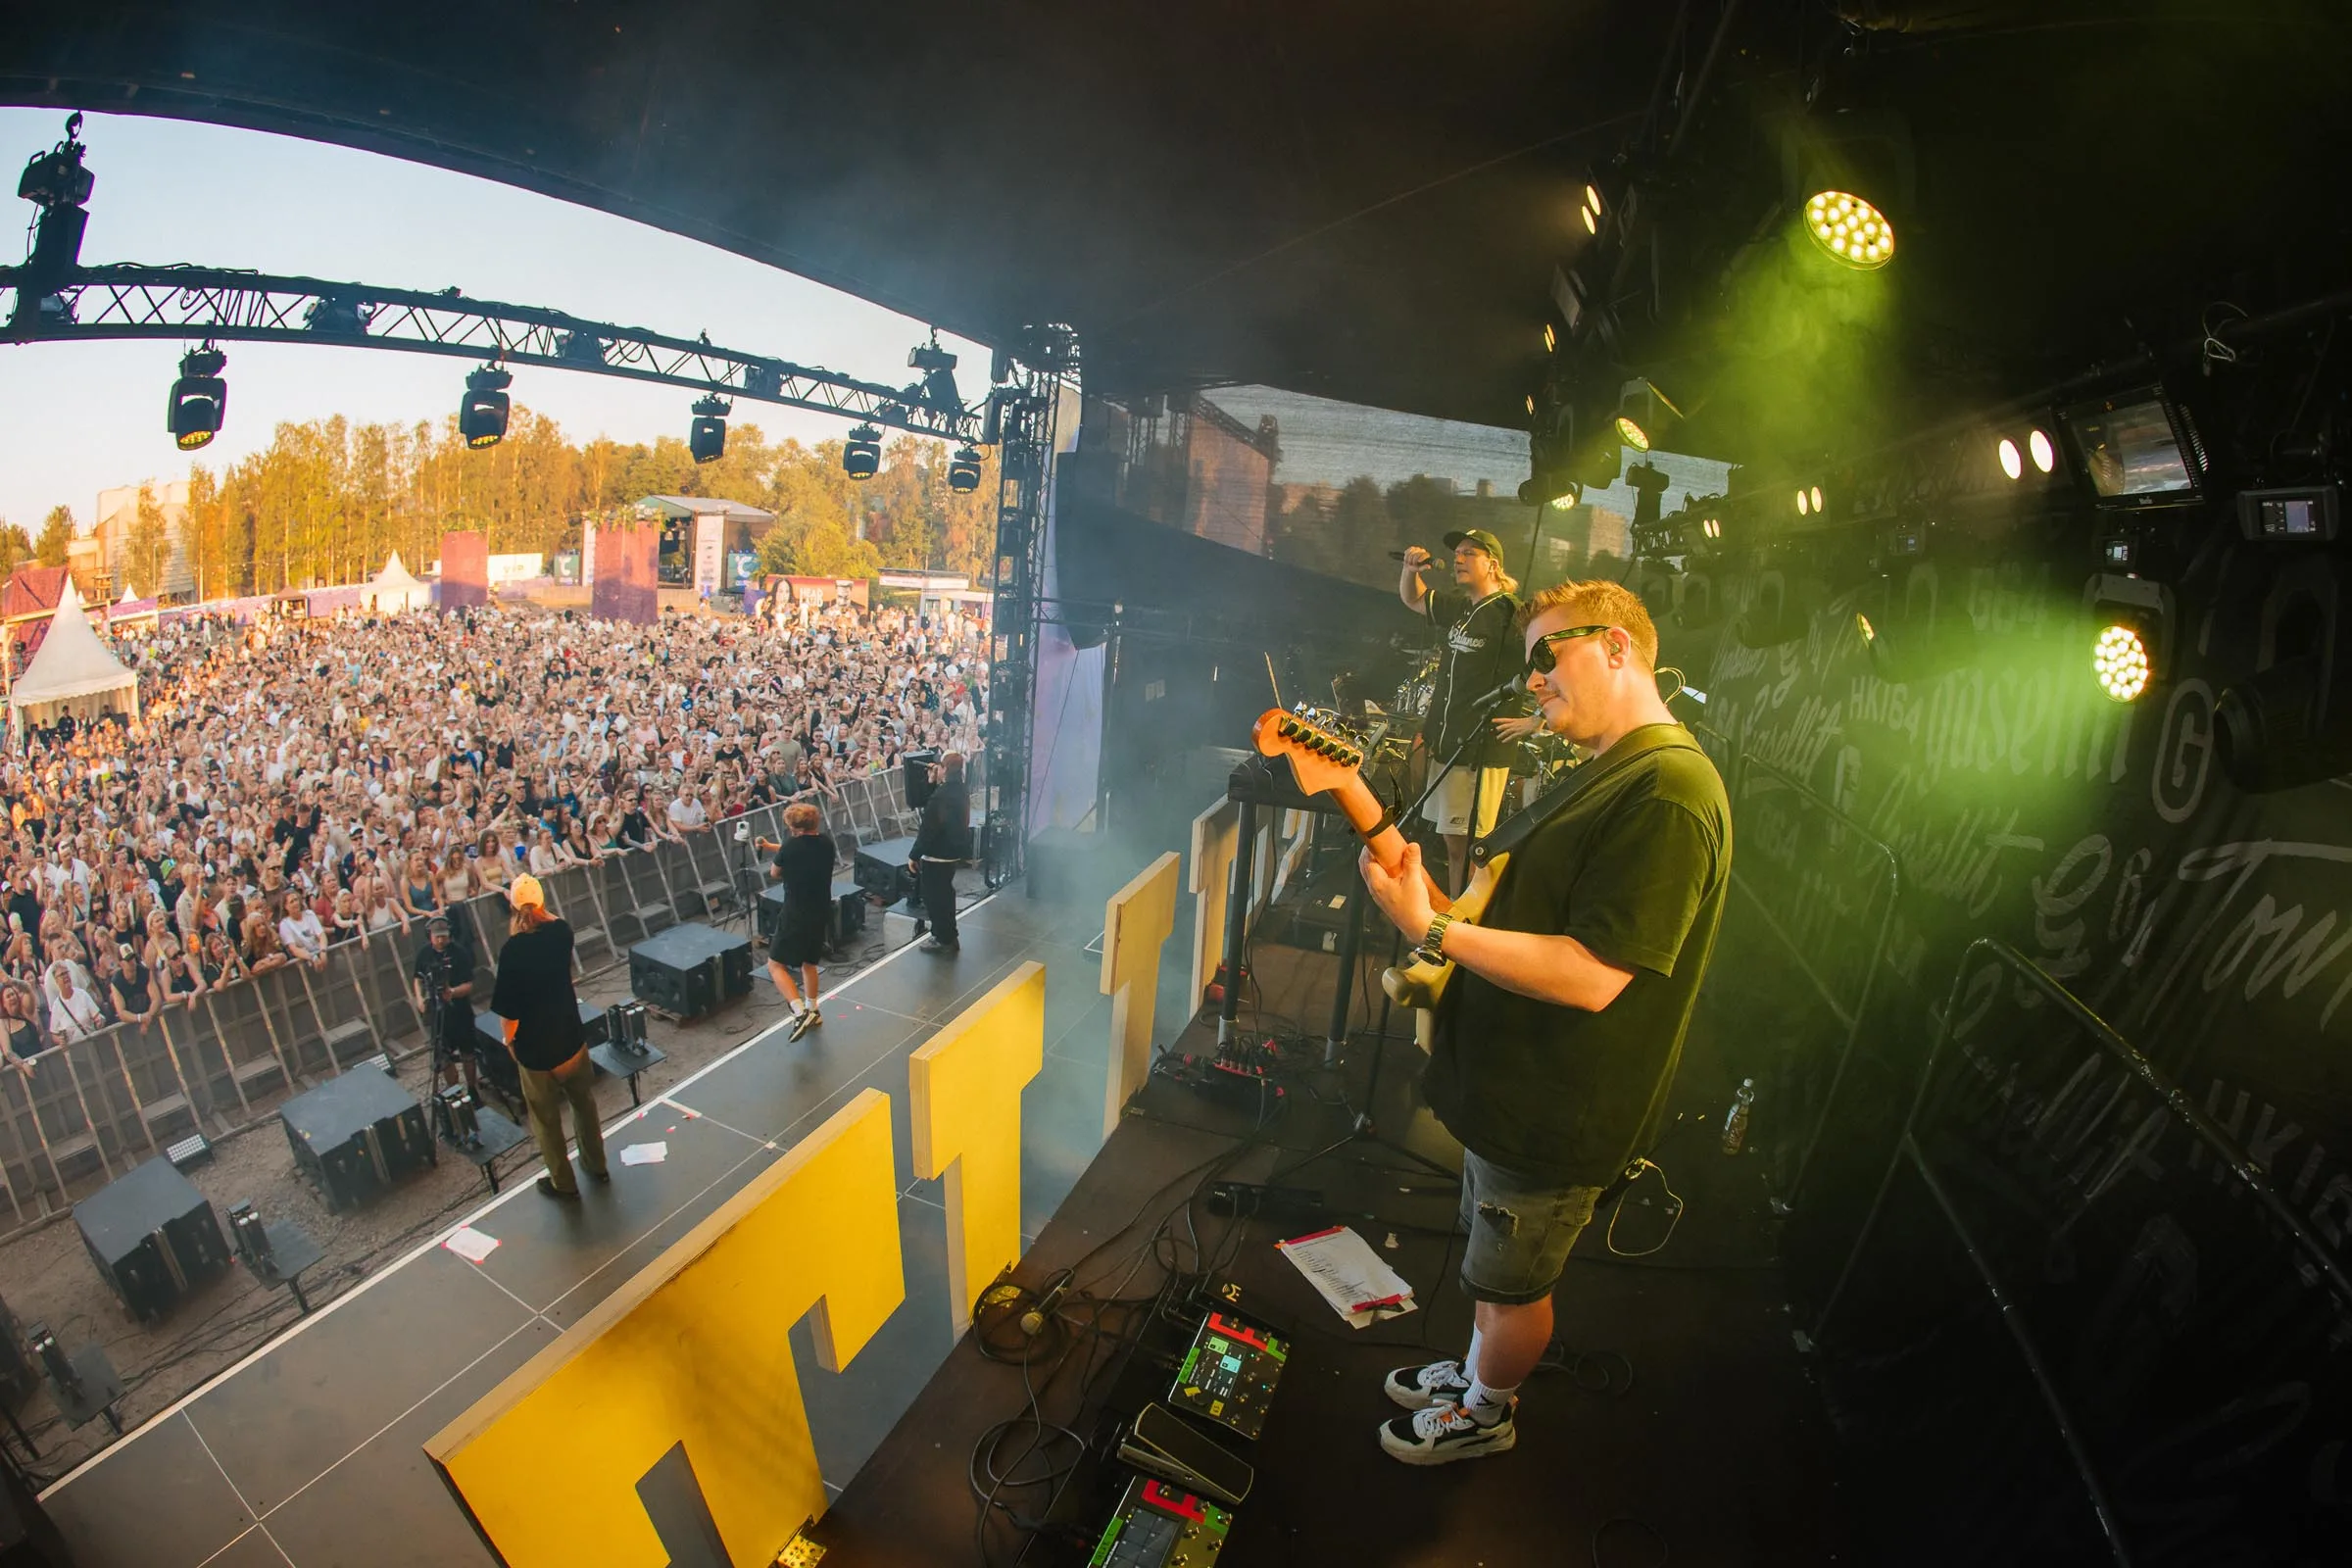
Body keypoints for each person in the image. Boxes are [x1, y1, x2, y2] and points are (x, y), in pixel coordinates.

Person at [1356, 579, 1731, 1465]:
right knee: (1493, 1277)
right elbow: (1524, 919)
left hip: (1559, 1110)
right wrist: (1436, 907)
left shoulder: (1669, 791)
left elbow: (1594, 975)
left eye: (1546, 655)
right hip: (1517, 1091)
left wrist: (1433, 929)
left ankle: (1487, 1413)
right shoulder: (1613, 770)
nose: (1531, 678)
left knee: (1512, 1290)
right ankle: (1476, 1374)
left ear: (1617, 647)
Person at [1396, 528, 1539, 898]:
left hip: (1480, 750)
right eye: (1457, 553)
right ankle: (1456, 914)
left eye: (1469, 553)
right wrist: (1410, 569)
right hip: (1450, 745)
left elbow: (1551, 665)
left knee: (1474, 846)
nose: (1458, 559)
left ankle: (1470, 917)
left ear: (1493, 565)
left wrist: (1536, 720)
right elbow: (1414, 599)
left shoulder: (1512, 615)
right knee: (1453, 842)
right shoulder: (1462, 607)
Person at [488, 874, 608, 1200]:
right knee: (584, 1105)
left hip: (536, 1051)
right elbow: (552, 919)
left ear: (513, 908)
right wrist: (538, 909)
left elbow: (509, 1015)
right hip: (570, 1039)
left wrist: (510, 1043)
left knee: (546, 1120)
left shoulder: (512, 951)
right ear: (542, 902)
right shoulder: (561, 932)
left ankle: (564, 1184)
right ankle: (596, 1165)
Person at [758, 802, 834, 1041]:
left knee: (775, 965)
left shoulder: (791, 846)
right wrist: (770, 846)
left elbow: (774, 872)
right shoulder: (826, 843)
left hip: (796, 912)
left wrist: (774, 852)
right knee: (809, 963)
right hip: (821, 909)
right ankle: (813, 1010)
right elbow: (800, 850)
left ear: (795, 828)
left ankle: (799, 1012)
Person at [908, 751, 972, 955]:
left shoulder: (942, 795)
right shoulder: (960, 789)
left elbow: (929, 827)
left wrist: (914, 854)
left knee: (935, 898)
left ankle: (943, 938)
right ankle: (949, 935)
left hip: (937, 853)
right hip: (952, 850)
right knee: (946, 894)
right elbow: (936, 807)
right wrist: (932, 783)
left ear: (945, 768)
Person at [412, 913, 479, 1099]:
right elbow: (417, 978)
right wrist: (419, 998)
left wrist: (453, 992)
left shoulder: (459, 952)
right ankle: (456, 1093)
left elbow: (469, 984)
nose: (441, 940)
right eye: (437, 937)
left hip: (460, 1011)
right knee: (443, 1057)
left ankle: (472, 1089)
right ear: (430, 936)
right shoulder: (424, 954)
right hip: (438, 1014)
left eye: (444, 936)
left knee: (468, 1053)